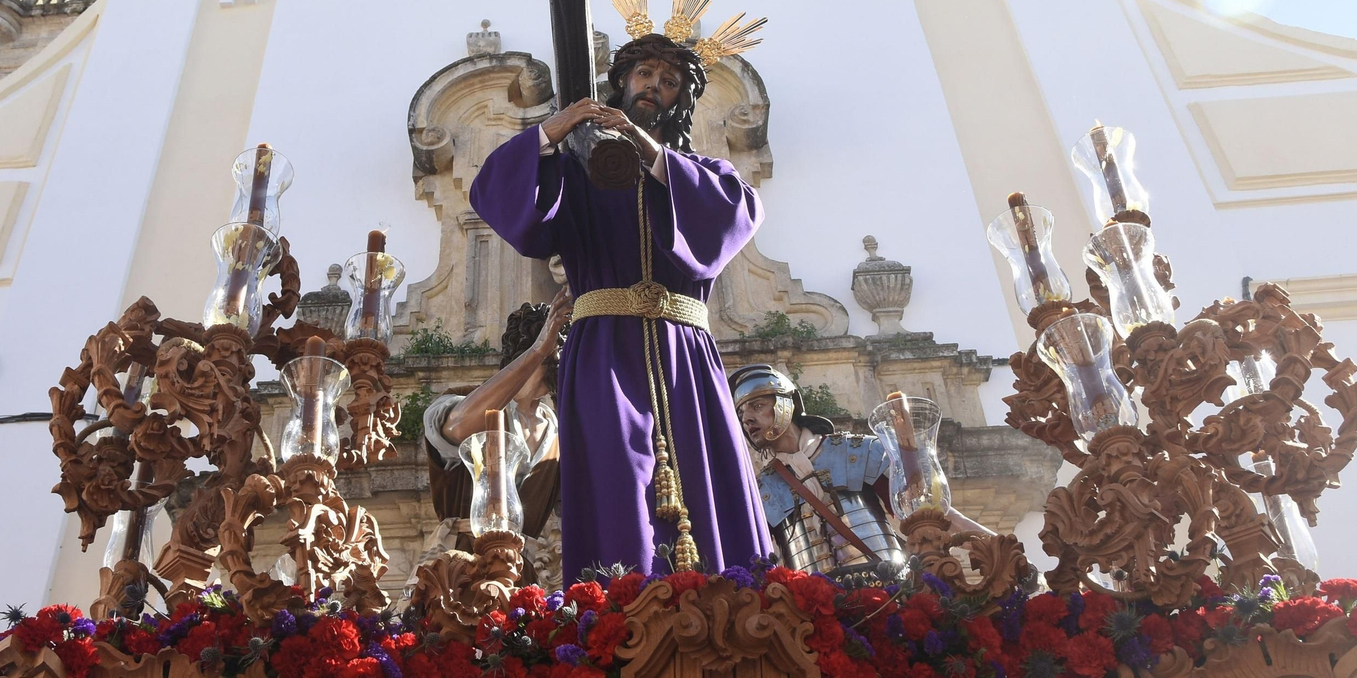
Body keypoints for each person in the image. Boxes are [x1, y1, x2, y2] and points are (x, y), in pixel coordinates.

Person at [470, 32, 771, 579]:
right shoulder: (576, 175)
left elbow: (735, 214)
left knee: (705, 474)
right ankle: (618, 610)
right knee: (616, 476)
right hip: (603, 349)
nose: (655, 87)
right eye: (645, 75)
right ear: (623, 83)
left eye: (670, 81)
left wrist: (644, 146)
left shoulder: (702, 175)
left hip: (685, 354)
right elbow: (499, 195)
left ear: (681, 100)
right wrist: (548, 134)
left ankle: (732, 600)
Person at [733, 364, 993, 583]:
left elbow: (934, 516)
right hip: (812, 615)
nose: (747, 419)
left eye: (757, 406)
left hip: (889, 590)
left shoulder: (855, 451)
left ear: (785, 404)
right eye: (742, 413)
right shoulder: (760, 490)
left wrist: (998, 549)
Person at [416, 291, 572, 580]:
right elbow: (457, 428)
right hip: (461, 572)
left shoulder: (559, 435)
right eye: (555, 349)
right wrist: (539, 350)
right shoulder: (461, 401)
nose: (559, 359)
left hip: (520, 577)